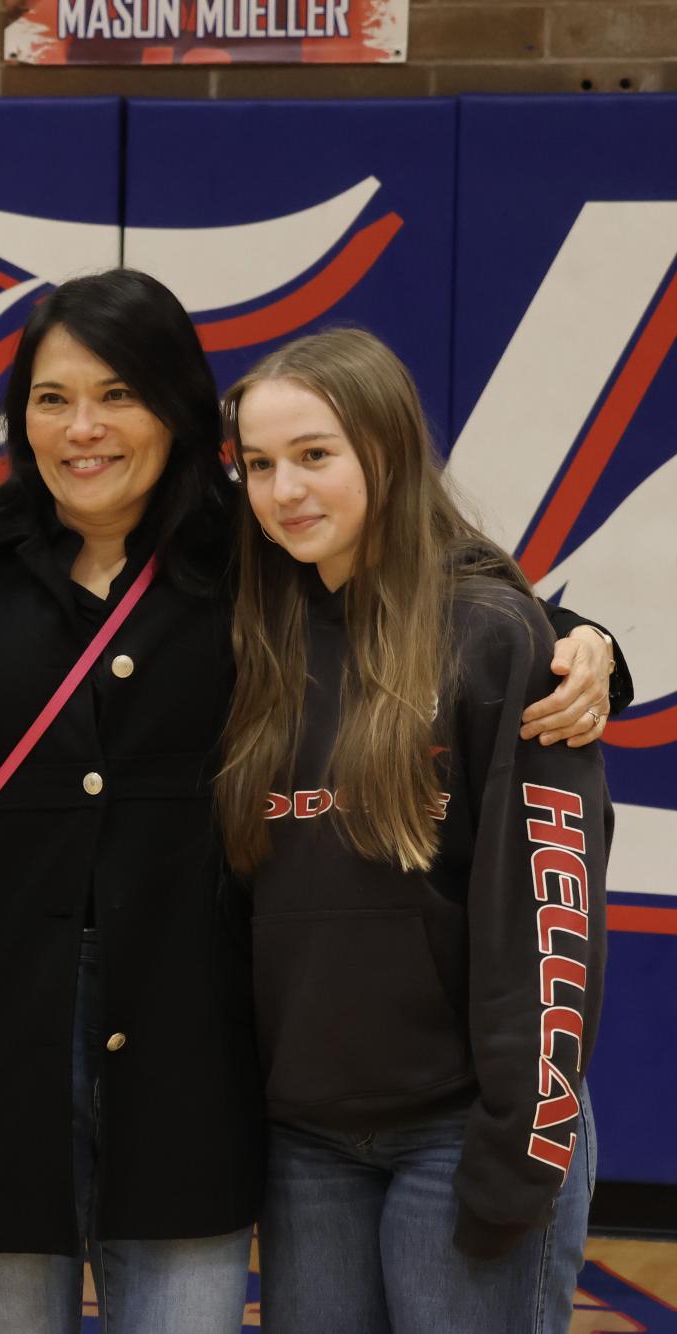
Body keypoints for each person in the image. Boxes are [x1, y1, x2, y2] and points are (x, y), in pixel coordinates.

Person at [0, 271, 625, 1333]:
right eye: (51, 398)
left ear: (176, 409)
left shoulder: (244, 557)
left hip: (207, 1038)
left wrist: (593, 644)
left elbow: (461, 601)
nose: (82, 426)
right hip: (25, 1033)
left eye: (118, 393)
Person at [218, 327, 606, 1333]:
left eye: (314, 454)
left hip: (466, 1129)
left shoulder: (499, 637)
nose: (283, 490)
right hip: (307, 1141)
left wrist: (525, 1143)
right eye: (258, 465)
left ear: (385, 451)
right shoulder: (258, 636)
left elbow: (551, 923)